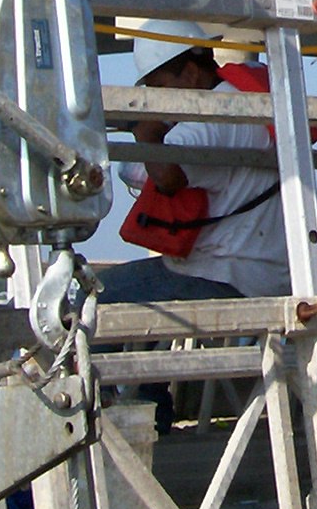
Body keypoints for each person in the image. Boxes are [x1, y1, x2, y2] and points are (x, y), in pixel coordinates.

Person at [104, 21, 291, 310]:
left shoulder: (206, 120)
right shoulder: (245, 102)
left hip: (221, 276)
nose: (157, 100)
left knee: (92, 300)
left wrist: (144, 131)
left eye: (160, 87)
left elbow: (167, 177)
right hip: (267, 277)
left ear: (191, 74)